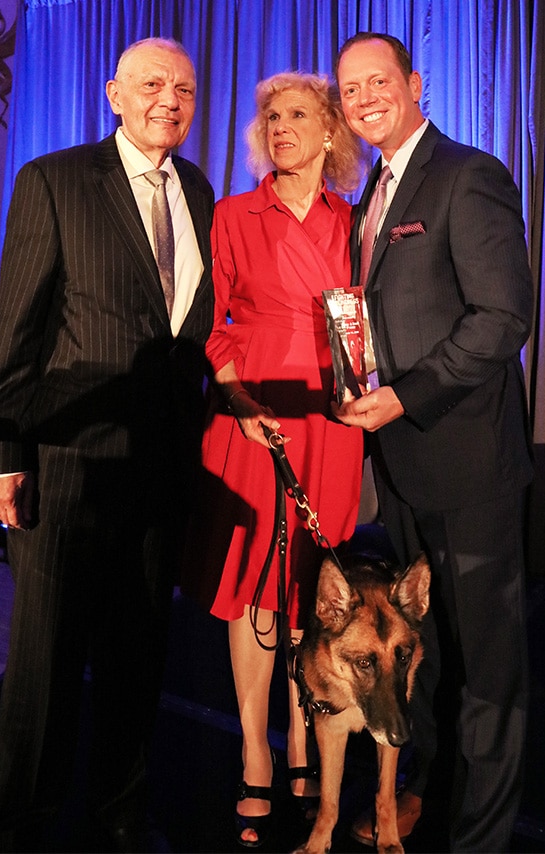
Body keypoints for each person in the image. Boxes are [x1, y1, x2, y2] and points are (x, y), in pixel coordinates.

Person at [0, 37, 214, 853]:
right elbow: (19, 330)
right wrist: (4, 454)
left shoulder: (200, 190)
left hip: (163, 468)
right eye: (150, 84)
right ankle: (16, 827)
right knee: (42, 670)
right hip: (69, 467)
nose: (168, 100)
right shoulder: (55, 180)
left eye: (183, 88)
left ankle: (119, 813)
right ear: (114, 93)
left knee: (137, 659)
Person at [333, 32, 533, 852]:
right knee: (431, 654)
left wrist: (401, 398)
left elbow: (501, 319)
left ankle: (479, 838)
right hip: (405, 468)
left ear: (415, 84)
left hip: (468, 462)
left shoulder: (467, 174)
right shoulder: (367, 195)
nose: (364, 97)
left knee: (488, 667)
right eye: (350, 89)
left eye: (378, 80)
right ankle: (436, 795)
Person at [180, 72, 364, 847]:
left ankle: (302, 735)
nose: (280, 127)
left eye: (297, 115)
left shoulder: (354, 219)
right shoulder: (232, 213)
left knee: (309, 587)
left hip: (329, 416)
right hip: (252, 414)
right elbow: (209, 322)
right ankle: (256, 747)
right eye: (270, 116)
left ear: (329, 131)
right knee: (254, 581)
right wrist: (236, 398)